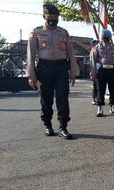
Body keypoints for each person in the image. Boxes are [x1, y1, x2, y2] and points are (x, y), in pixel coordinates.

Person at [26, 3, 79, 139]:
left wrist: (73, 72)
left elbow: (70, 53)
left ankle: (63, 127)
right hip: (45, 69)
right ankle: (48, 125)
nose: (53, 19)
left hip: (61, 68)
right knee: (46, 98)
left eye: (56, 17)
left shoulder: (63, 32)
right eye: (50, 17)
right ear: (44, 16)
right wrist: (31, 75)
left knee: (63, 98)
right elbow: (31, 55)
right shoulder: (36, 32)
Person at [90, 29, 114, 117]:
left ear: (109, 37)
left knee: (113, 90)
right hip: (102, 70)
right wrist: (93, 73)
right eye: (103, 36)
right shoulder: (97, 47)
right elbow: (93, 60)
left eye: (106, 37)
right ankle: (100, 109)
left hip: (112, 70)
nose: (105, 38)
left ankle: (113, 108)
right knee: (100, 90)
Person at [90, 39, 100, 105]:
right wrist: (92, 73)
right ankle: (95, 98)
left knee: (98, 86)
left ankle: (97, 98)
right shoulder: (93, 51)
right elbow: (92, 63)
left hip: (100, 70)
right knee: (95, 86)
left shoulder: (97, 50)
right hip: (95, 71)